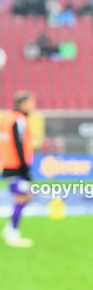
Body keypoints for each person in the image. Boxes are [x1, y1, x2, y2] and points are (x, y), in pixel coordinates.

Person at [1, 91, 36, 247]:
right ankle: (13, 234)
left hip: (8, 164)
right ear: (22, 104)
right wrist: (24, 168)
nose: (33, 106)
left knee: (26, 196)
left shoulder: (7, 117)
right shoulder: (19, 119)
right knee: (22, 198)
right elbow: (18, 144)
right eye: (31, 103)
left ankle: (10, 229)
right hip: (16, 167)